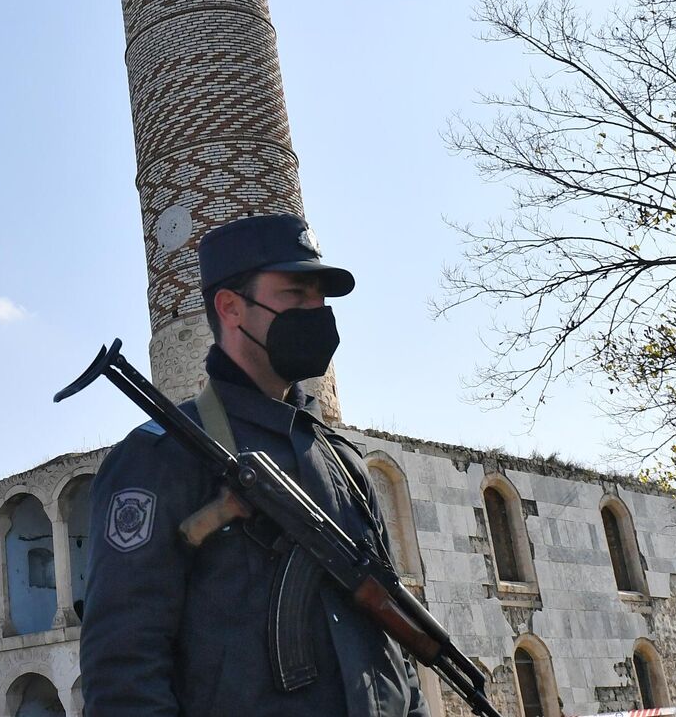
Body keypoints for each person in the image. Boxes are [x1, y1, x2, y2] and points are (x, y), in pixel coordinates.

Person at [78, 212, 430, 717]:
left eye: (320, 298)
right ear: (231, 308)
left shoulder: (343, 463)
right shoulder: (159, 457)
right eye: (295, 294)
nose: (318, 312)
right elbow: (124, 668)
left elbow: (391, 640)